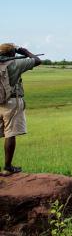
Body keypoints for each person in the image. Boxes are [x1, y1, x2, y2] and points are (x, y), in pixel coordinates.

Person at [0, 43, 41, 176]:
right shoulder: (14, 64)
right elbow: (37, 61)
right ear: (12, 53)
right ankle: (7, 167)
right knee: (10, 134)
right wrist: (25, 51)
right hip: (11, 102)